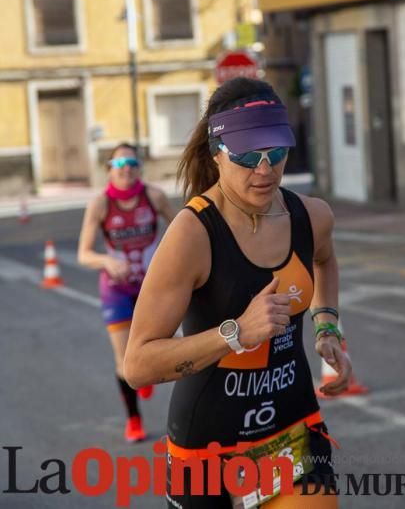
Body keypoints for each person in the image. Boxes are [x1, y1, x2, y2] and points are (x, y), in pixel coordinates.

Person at [124, 78, 352, 506]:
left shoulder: (312, 216)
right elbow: (137, 365)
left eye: (276, 152)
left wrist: (328, 327)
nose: (264, 169)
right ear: (217, 155)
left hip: (292, 428)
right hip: (208, 448)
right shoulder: (193, 234)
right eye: (246, 155)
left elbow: (324, 260)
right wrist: (235, 333)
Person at [78, 142, 176, 442]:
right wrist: (106, 260)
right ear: (109, 169)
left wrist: (171, 260)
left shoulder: (154, 197)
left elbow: (184, 230)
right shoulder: (100, 204)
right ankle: (134, 419)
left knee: (158, 348)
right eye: (120, 165)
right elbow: (83, 254)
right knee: (123, 361)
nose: (127, 170)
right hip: (116, 290)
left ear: (140, 168)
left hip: (152, 288)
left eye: (133, 164)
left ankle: (143, 375)